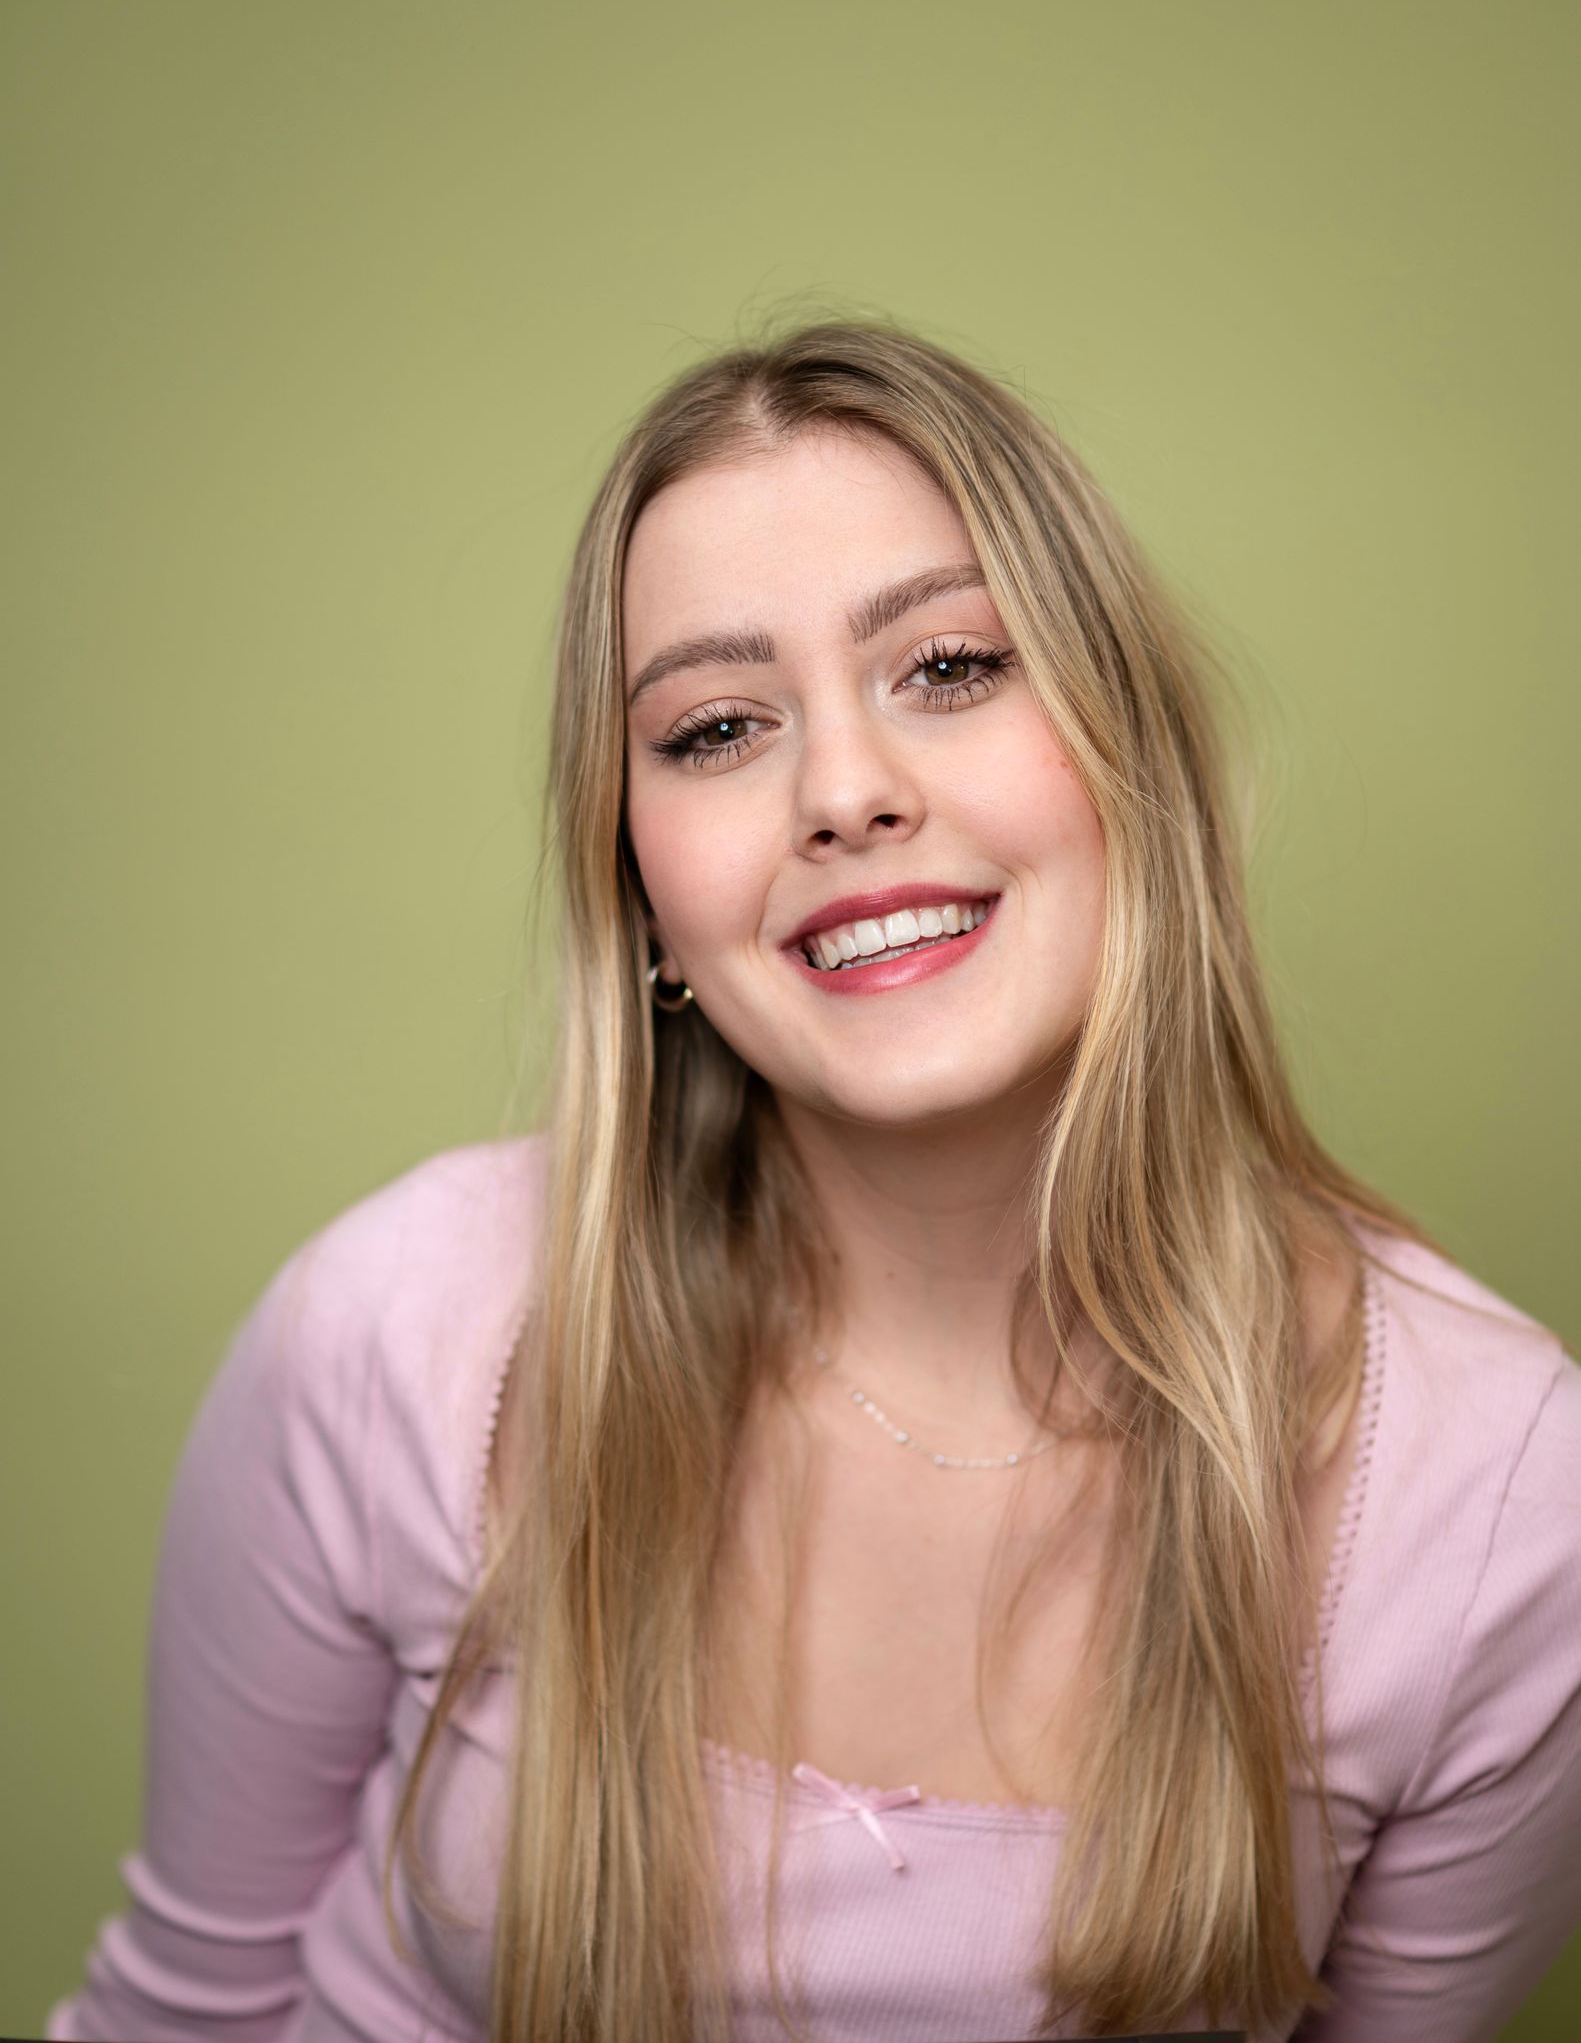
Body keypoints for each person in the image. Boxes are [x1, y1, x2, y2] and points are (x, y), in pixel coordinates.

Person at [47, 319, 1581, 2043]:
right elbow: (183, 2010)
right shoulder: (394, 1326)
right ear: (642, 900)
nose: (843, 793)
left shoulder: (1499, 1501)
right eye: (714, 729)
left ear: (1134, 758)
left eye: (950, 666)